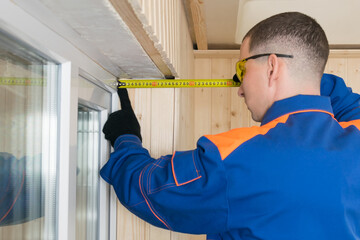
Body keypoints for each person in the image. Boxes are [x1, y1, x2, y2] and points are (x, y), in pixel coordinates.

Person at [100, 12, 360, 240]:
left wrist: (126, 138)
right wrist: (303, 72)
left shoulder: (236, 159)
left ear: (272, 67)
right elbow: (338, 95)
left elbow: (146, 188)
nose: (240, 88)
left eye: (242, 69)